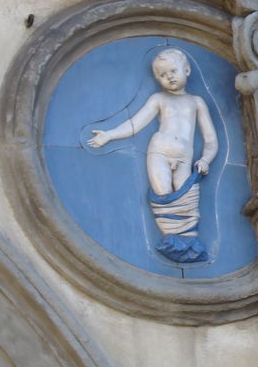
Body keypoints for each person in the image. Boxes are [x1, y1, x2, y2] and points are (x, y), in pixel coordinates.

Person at [88, 47, 218, 262]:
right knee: (164, 195)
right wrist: (109, 135)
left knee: (187, 200)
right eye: (163, 75)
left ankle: (188, 245)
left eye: (173, 71)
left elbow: (211, 139)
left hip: (185, 157)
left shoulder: (196, 102)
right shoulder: (159, 99)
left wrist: (205, 159)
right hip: (159, 151)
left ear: (186, 70)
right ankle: (172, 242)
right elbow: (136, 123)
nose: (170, 77)